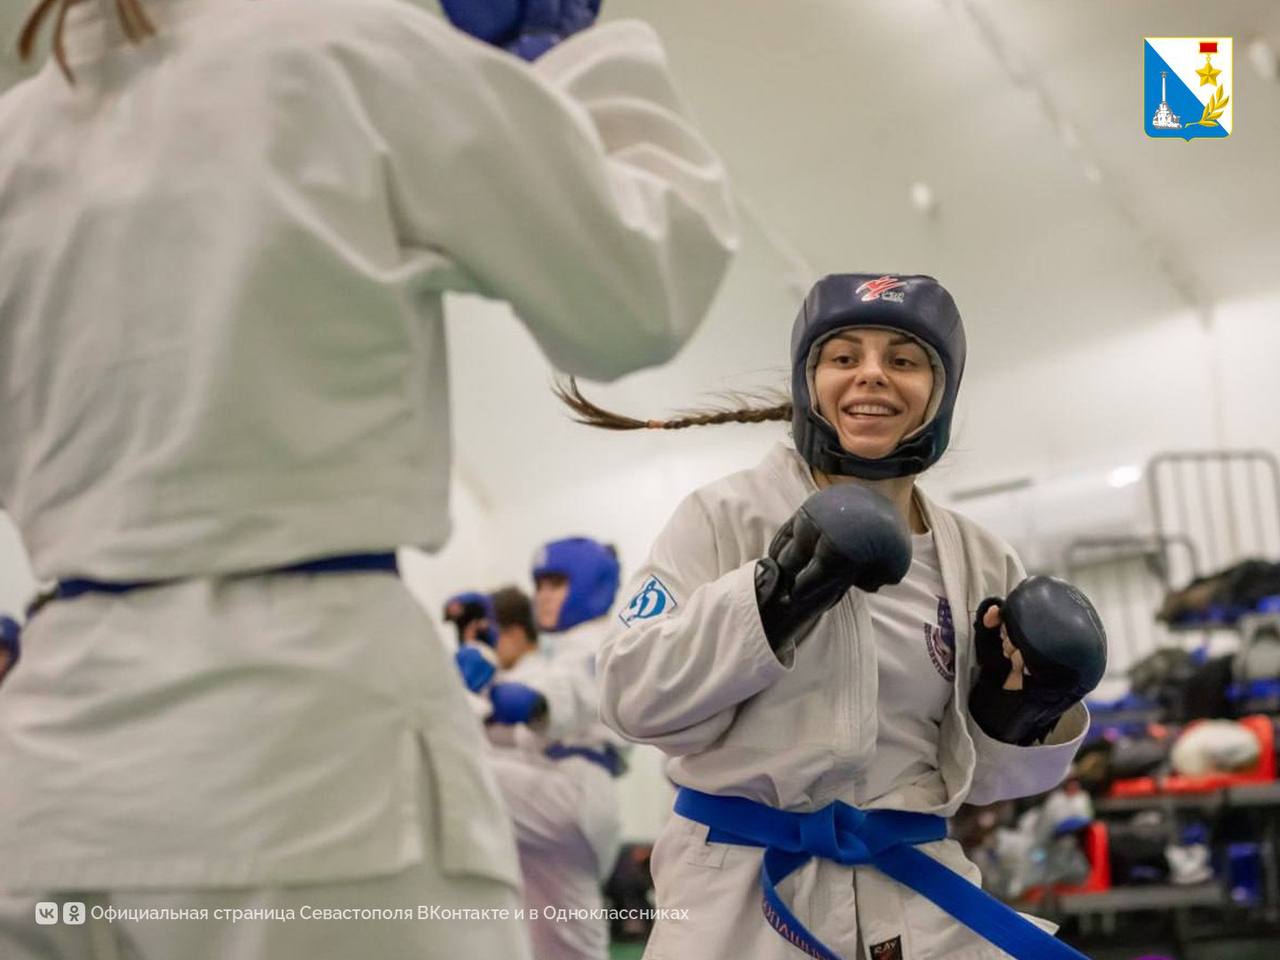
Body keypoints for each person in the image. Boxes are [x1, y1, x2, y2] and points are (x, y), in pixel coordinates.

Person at [0, 1, 738, 957]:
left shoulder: (17, 137)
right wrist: (576, 61)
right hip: (309, 759)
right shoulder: (349, 49)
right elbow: (637, 289)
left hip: (53, 769)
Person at [577, 274, 1106, 959]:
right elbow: (629, 697)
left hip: (913, 891)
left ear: (940, 391)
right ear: (811, 381)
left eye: (904, 360)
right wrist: (772, 599)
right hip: (739, 900)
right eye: (844, 357)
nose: (872, 375)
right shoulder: (724, 516)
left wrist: (1025, 714)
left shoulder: (978, 558)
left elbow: (992, 784)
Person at [452, 544, 627, 960]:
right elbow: (516, 729)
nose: (544, 596)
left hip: (573, 791)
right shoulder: (565, 648)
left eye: (557, 583)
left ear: (592, 584)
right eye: (540, 585)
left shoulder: (604, 642)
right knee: (561, 942)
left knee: (453, 767)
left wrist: (497, 691)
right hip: (563, 791)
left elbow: (561, 694)